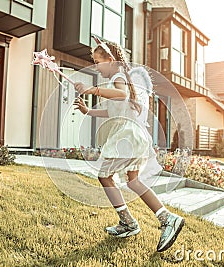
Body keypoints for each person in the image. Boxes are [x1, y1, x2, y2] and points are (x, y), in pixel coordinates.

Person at [73, 37, 185, 252]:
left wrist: (92, 90)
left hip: (127, 136)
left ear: (110, 59)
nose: (96, 67)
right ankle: (162, 218)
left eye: (98, 62)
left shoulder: (118, 76)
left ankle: (133, 221)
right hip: (134, 136)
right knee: (133, 181)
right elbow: (113, 110)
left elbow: (121, 94)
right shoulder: (122, 78)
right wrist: (88, 111)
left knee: (104, 176)